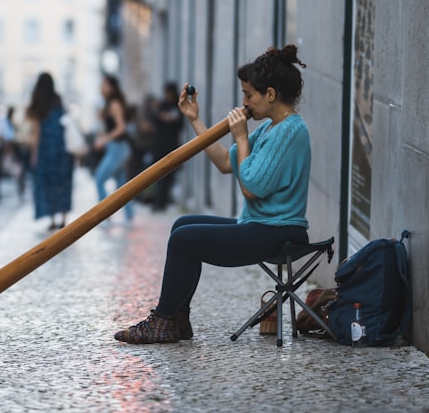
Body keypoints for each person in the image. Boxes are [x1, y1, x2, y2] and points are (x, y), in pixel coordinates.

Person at [114, 45, 312, 344]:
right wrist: (195, 119)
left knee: (185, 240)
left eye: (249, 95)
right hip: (260, 225)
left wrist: (242, 137)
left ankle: (163, 321)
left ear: (270, 94)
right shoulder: (271, 128)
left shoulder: (291, 131)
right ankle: (177, 319)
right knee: (183, 225)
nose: (244, 102)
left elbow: (251, 188)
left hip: (280, 231)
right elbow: (223, 163)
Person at [26, 73, 74, 230]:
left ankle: (53, 219)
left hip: (46, 149)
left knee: (48, 184)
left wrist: (34, 153)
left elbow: (36, 132)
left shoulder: (38, 104)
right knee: (63, 182)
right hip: (62, 148)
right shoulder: (59, 100)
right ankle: (64, 217)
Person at [93, 75, 134, 223]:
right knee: (122, 186)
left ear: (112, 87)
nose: (102, 88)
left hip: (118, 148)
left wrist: (105, 139)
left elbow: (121, 127)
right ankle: (130, 216)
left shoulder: (114, 104)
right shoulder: (107, 104)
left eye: (105, 85)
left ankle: (104, 216)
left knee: (99, 179)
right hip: (117, 148)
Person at [151, 82, 186, 210]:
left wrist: (167, 118)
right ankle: (158, 202)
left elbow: (179, 123)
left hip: (171, 146)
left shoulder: (177, 106)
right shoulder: (162, 105)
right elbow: (155, 118)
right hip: (160, 146)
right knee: (158, 175)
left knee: (169, 176)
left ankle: (163, 201)